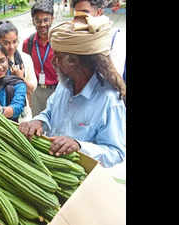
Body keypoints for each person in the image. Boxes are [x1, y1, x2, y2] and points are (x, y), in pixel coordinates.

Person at [18, 15, 126, 168]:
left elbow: (116, 153)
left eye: (58, 57)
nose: (53, 61)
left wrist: (79, 146)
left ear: (75, 61)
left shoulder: (109, 100)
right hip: (50, 165)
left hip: (78, 177)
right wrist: (39, 121)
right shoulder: (65, 84)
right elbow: (50, 112)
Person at [0, 20, 37, 122]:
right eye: (6, 43)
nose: (11, 47)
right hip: (0, 118)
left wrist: (20, 78)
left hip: (23, 117)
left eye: (14, 41)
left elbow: (31, 89)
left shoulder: (25, 59)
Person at [71, 0, 126, 83]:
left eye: (85, 12)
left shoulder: (116, 38)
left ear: (99, 12)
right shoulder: (75, 39)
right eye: (77, 14)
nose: (80, 18)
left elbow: (113, 80)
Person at [22, 0, 59, 117]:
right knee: (38, 126)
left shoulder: (59, 42)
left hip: (57, 90)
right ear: (33, 21)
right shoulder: (28, 43)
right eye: (38, 20)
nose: (42, 24)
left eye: (46, 20)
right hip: (36, 92)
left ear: (52, 19)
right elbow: (26, 70)